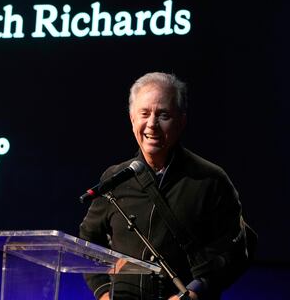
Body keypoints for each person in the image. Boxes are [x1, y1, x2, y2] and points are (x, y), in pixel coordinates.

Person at [79, 72, 250, 300]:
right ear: (132, 119)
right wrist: (103, 292)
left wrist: (194, 293)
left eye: (163, 115)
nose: (152, 124)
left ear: (181, 121)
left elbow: (234, 252)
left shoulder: (210, 180)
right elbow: (88, 241)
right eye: (144, 113)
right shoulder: (115, 178)